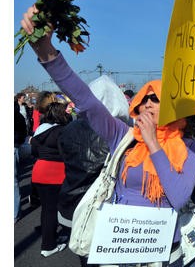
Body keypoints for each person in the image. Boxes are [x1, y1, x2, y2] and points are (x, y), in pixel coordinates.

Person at [20, 4, 195, 266]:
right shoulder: (124, 136)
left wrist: (153, 143)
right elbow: (86, 100)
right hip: (118, 249)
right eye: (145, 98)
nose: (148, 102)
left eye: (156, 98)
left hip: (163, 253)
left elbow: (178, 196)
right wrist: (47, 53)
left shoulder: (189, 146)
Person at [56, 75, 130, 267]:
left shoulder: (68, 129)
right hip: (104, 211)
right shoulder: (121, 132)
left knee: (85, 257)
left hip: (71, 207)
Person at [30, 101, 73, 257]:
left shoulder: (40, 130)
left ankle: (49, 239)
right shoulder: (62, 131)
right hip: (55, 173)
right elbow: (66, 153)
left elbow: (34, 151)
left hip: (39, 171)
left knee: (47, 209)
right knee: (53, 210)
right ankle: (49, 245)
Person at [15, 98, 28, 223]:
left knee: (13, 181)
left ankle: (15, 213)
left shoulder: (17, 115)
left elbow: (23, 131)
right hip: (14, 146)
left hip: (13, 146)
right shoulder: (18, 114)